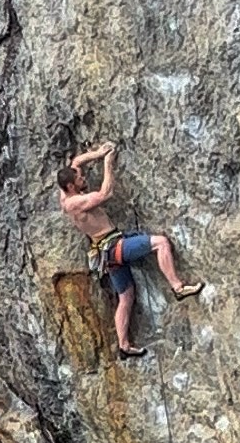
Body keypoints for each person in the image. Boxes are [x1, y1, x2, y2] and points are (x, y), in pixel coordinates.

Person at [57, 142, 203, 359]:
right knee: (160, 243)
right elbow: (106, 193)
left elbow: (76, 162)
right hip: (114, 246)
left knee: (126, 296)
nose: (83, 179)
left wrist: (97, 153)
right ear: (71, 186)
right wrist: (108, 162)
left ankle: (124, 345)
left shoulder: (64, 192)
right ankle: (177, 287)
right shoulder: (74, 203)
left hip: (106, 252)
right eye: (79, 179)